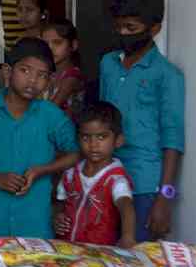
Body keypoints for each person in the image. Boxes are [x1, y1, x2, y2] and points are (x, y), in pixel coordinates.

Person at [0, 38, 80, 239]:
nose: (32, 80)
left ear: (49, 81)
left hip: (34, 226)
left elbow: (77, 153)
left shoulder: (51, 115)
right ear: (8, 72)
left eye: (42, 75)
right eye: (25, 71)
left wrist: (41, 170)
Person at [99, 0, 185, 242]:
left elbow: (173, 139)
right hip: (106, 177)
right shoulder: (108, 64)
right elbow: (101, 120)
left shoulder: (168, 75)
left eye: (131, 28)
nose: (123, 34)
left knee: (134, 263)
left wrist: (164, 197)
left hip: (144, 186)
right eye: (119, 27)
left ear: (154, 29)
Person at [54, 102, 137, 248]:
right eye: (86, 138)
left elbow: (126, 207)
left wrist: (127, 237)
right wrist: (57, 217)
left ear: (118, 141)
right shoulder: (70, 175)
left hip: (99, 255)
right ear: (78, 139)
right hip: (67, 250)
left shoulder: (116, 179)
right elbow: (60, 203)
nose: (93, 144)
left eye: (101, 137)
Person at [41, 18, 85, 119]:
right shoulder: (49, 74)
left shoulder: (73, 77)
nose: (50, 48)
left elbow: (50, 109)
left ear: (73, 45)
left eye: (57, 42)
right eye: (45, 44)